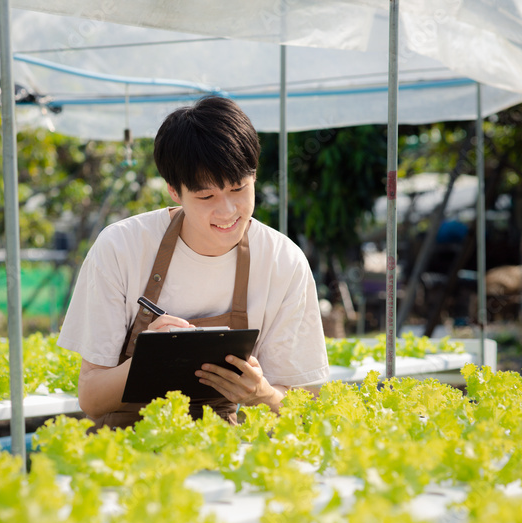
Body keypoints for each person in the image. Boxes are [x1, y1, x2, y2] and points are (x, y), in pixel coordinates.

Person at [57, 95, 328, 429]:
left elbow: (303, 406)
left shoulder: (283, 262)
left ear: (255, 177)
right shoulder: (121, 247)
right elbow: (92, 400)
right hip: (130, 440)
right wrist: (146, 359)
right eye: (206, 197)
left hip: (226, 446)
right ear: (174, 191)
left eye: (239, 188)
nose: (228, 211)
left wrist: (262, 395)